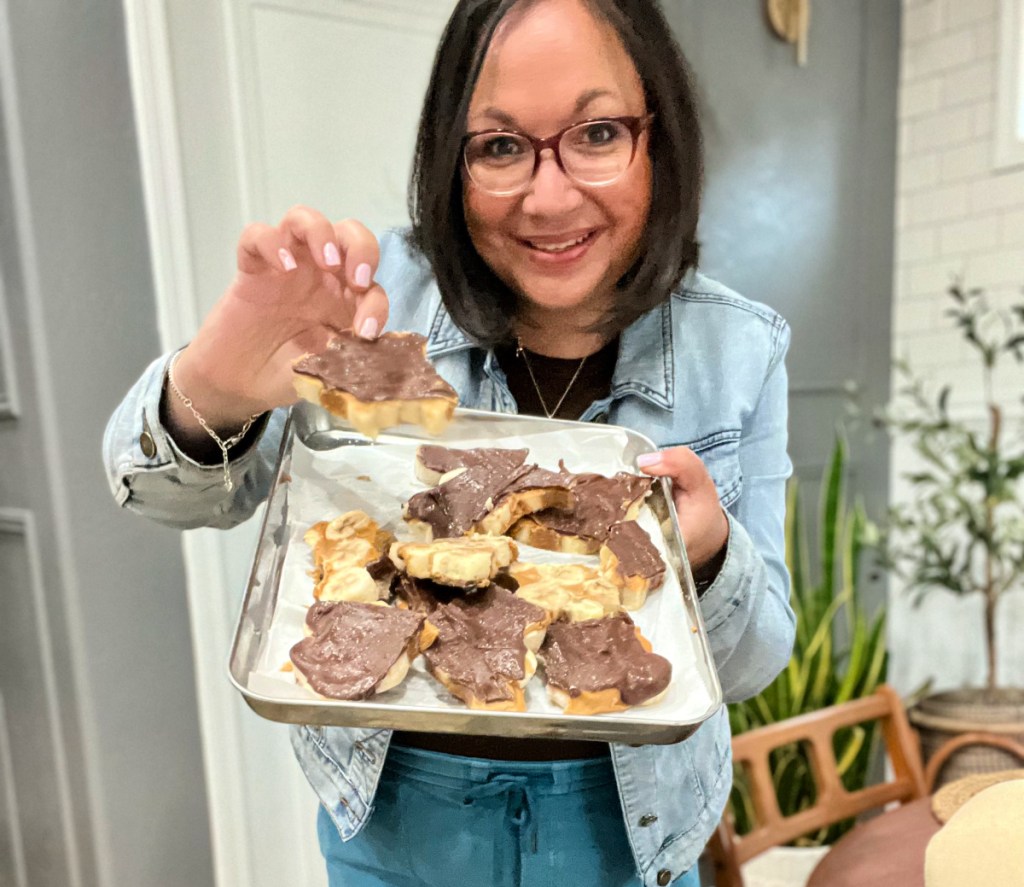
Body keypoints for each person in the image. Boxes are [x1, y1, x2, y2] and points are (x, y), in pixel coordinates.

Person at [103, 0, 796, 884]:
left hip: (633, 833)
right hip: (392, 824)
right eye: (500, 146)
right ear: (451, 157)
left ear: (657, 134)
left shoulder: (740, 349)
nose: (550, 196)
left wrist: (707, 556)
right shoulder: (369, 300)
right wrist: (214, 388)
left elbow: (758, 656)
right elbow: (159, 492)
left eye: (596, 132)